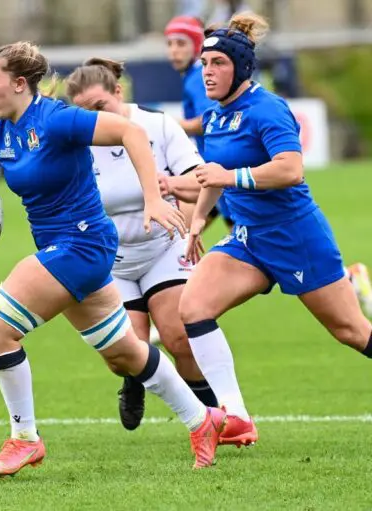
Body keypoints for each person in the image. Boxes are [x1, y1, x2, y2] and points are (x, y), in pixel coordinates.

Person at [0, 41, 227, 476]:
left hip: (83, 245)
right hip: (61, 251)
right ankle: (201, 419)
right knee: (125, 353)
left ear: (19, 84)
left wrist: (152, 197)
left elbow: (130, 133)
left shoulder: (56, 120)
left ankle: (24, 439)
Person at [180, 12, 372, 448]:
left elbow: (290, 169)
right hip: (250, 238)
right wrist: (196, 222)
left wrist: (229, 180)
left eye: (218, 65)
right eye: (204, 65)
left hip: (294, 236)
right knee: (193, 307)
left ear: (242, 69)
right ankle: (237, 417)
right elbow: (214, 174)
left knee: (350, 331)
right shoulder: (215, 116)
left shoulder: (267, 109)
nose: (208, 73)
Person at [65, 57, 220, 432]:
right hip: (111, 259)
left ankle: (218, 420)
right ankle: (133, 383)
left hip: (163, 249)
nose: (95, 119)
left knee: (178, 337)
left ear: (119, 92)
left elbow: (198, 181)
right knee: (124, 354)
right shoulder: (74, 139)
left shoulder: (157, 125)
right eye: (85, 113)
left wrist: (183, 215)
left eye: (101, 107)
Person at [164, 15, 234, 231]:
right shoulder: (193, 76)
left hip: (221, 171)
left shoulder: (198, 77)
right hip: (213, 171)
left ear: (196, 46)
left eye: (181, 43)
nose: (174, 50)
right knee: (180, 236)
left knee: (250, 246)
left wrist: (172, 125)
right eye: (170, 44)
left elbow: (211, 120)